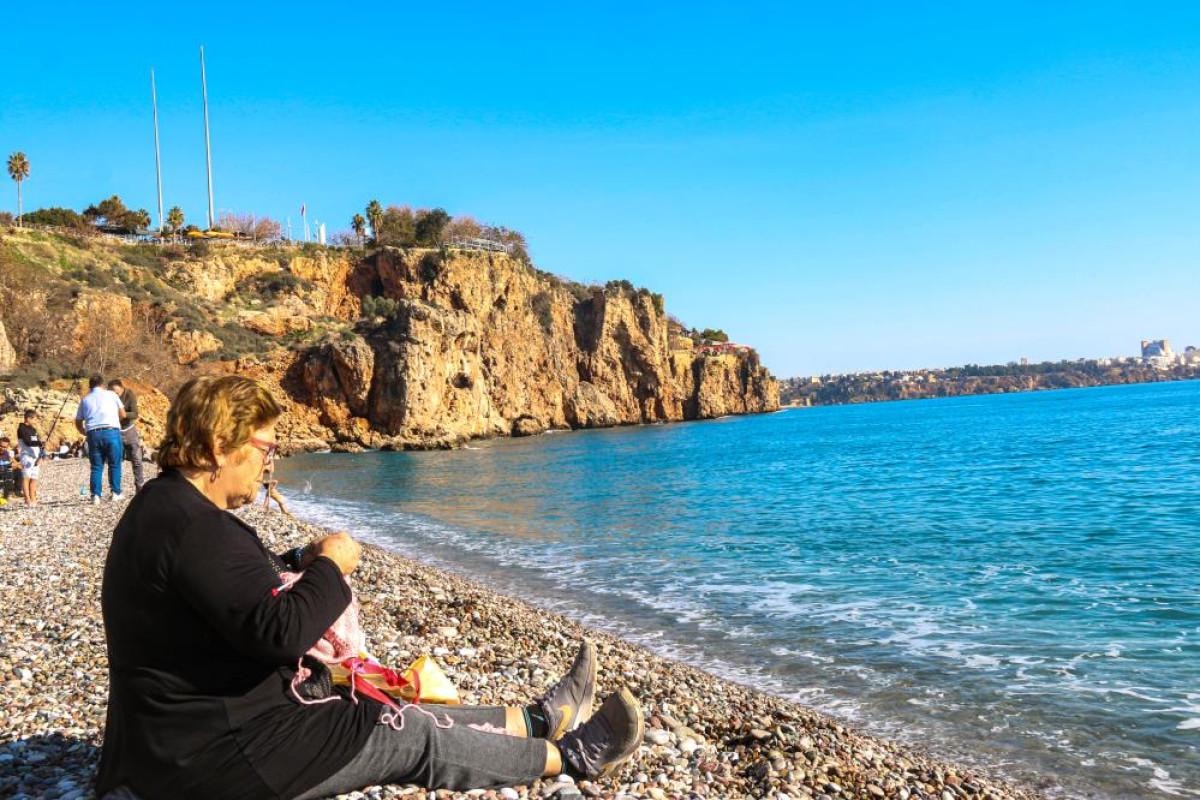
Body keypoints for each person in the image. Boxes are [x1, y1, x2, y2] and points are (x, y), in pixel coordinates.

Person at [97, 375, 643, 800]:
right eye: (265, 449)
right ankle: (573, 757)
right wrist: (331, 567)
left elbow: (230, 590)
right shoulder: (197, 527)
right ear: (221, 445)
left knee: (378, 700)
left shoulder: (164, 507)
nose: (268, 464)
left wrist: (299, 560)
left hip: (170, 738)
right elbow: (280, 633)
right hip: (215, 757)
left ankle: (537, 721)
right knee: (402, 733)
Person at [75, 376, 127, 504]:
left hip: (93, 433)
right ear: (103, 385)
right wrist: (114, 420)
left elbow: (78, 421)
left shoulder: (85, 400)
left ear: (90, 386)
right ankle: (115, 492)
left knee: (96, 466)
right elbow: (123, 414)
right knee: (114, 463)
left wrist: (84, 431)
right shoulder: (112, 395)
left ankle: (95, 496)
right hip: (111, 431)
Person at [109, 379, 147, 493]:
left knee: (137, 459)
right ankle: (115, 490)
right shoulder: (108, 397)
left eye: (116, 392)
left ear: (122, 388)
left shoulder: (129, 394)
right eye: (112, 392)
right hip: (115, 430)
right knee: (115, 460)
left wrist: (123, 414)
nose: (115, 395)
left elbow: (135, 413)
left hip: (129, 430)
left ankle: (140, 487)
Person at [17, 409, 43, 507]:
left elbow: (38, 444)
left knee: (34, 478)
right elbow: (28, 442)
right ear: (28, 418)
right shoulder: (21, 429)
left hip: (36, 457)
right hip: (26, 457)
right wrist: (40, 443)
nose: (35, 421)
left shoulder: (33, 429)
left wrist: (41, 456)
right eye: (34, 419)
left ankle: (33, 498)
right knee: (26, 478)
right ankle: (27, 499)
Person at [0, 435, 15, 505]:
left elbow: (12, 461)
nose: (2, 448)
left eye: (4, 447)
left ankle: (6, 496)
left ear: (7, 447)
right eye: (1, 446)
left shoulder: (6, 453)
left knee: (16, 472)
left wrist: (17, 465)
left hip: (5, 472)